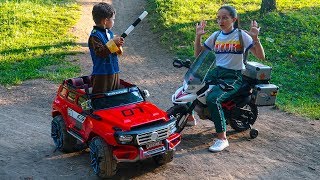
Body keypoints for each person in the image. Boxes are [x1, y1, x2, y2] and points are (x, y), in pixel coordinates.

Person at [194, 5, 265, 152]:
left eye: (225, 17)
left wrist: (255, 38)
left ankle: (222, 138)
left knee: (213, 99)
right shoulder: (216, 36)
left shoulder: (241, 35)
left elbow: (260, 56)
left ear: (234, 19)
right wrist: (198, 36)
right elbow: (198, 54)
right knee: (193, 85)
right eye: (218, 17)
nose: (221, 20)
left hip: (233, 76)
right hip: (217, 72)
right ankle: (188, 117)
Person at [89, 2, 124, 94]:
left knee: (114, 96)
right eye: (113, 19)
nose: (114, 21)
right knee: (100, 98)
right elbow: (100, 52)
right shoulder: (95, 36)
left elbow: (113, 51)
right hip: (102, 74)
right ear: (105, 21)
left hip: (114, 70)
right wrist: (113, 43)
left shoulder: (110, 33)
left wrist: (118, 45)